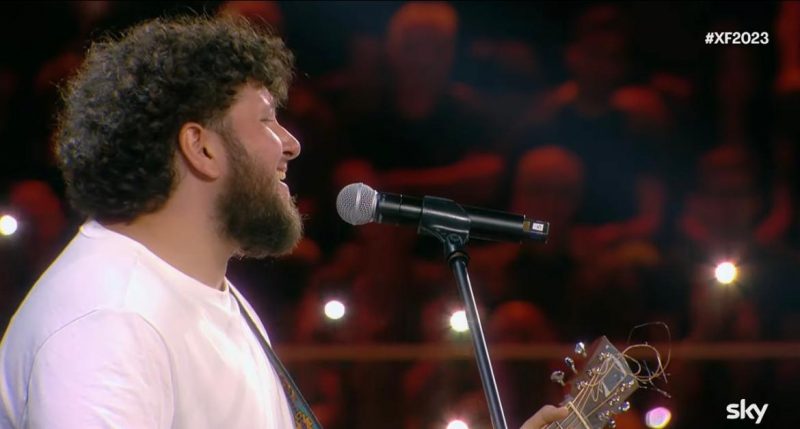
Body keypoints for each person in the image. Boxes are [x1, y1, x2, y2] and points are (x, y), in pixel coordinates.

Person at [0, 15, 566, 429]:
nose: (291, 144)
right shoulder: (110, 321)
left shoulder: (213, 297)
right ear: (201, 147)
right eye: (268, 120)